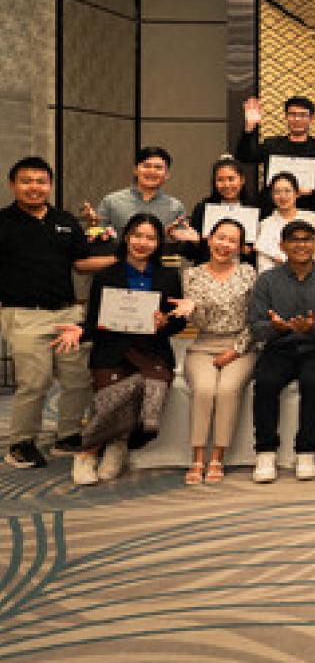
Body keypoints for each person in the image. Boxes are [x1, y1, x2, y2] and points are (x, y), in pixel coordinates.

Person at [54, 213, 188, 486]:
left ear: (158, 243)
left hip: (152, 352)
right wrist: (80, 331)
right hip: (111, 351)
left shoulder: (168, 276)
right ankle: (88, 453)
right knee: (114, 398)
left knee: (150, 409)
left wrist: (165, 323)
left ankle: (119, 442)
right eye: (137, 235)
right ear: (126, 237)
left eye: (150, 238)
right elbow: (95, 321)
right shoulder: (105, 276)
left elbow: (178, 322)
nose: (142, 242)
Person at [0, 157, 113, 469]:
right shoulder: (3, 222)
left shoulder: (64, 221)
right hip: (25, 315)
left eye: (41, 181)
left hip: (67, 315)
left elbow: (81, 264)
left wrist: (121, 259)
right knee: (34, 383)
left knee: (78, 379)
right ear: (12, 185)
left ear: (50, 185)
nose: (34, 187)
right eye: (26, 181)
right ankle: (21, 443)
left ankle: (68, 435)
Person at [246, 219, 315, 483]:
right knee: (265, 383)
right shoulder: (267, 280)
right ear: (282, 246)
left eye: (307, 239)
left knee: (314, 383)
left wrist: (313, 328)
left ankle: (307, 451)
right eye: (294, 240)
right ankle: (265, 451)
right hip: (279, 347)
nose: (301, 245)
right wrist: (276, 328)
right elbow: (256, 326)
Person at [180, 219, 257, 485]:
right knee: (204, 389)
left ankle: (217, 457)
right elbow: (199, 322)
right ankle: (197, 458)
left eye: (232, 241)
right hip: (203, 345)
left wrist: (236, 350)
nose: (224, 244)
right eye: (220, 237)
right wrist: (193, 310)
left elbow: (255, 319)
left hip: (241, 345)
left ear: (240, 247)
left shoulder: (248, 273)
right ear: (209, 239)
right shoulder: (192, 275)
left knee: (226, 389)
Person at [234, 95, 315, 211]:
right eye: (292, 114)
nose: (297, 119)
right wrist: (249, 128)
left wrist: (312, 191)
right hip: (272, 208)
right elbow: (244, 157)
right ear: (286, 116)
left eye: (303, 115)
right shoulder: (272, 145)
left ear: (311, 118)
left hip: (307, 208)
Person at [169, 156, 256, 265]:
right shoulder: (203, 208)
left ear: (242, 180)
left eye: (231, 179)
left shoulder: (255, 207)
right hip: (208, 270)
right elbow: (190, 253)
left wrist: (249, 251)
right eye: (220, 180)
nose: (226, 185)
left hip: (243, 270)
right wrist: (196, 241)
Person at [88, 146, 186, 238]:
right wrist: (92, 226)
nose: (152, 171)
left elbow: (183, 243)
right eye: (146, 166)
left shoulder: (176, 207)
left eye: (158, 168)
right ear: (135, 170)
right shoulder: (111, 202)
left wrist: (170, 237)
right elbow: (95, 237)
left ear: (167, 175)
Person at [255, 171, 315, 274]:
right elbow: (263, 265)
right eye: (277, 192)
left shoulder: (313, 218)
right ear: (272, 195)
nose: (283, 196)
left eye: (287, 191)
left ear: (297, 193)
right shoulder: (265, 224)